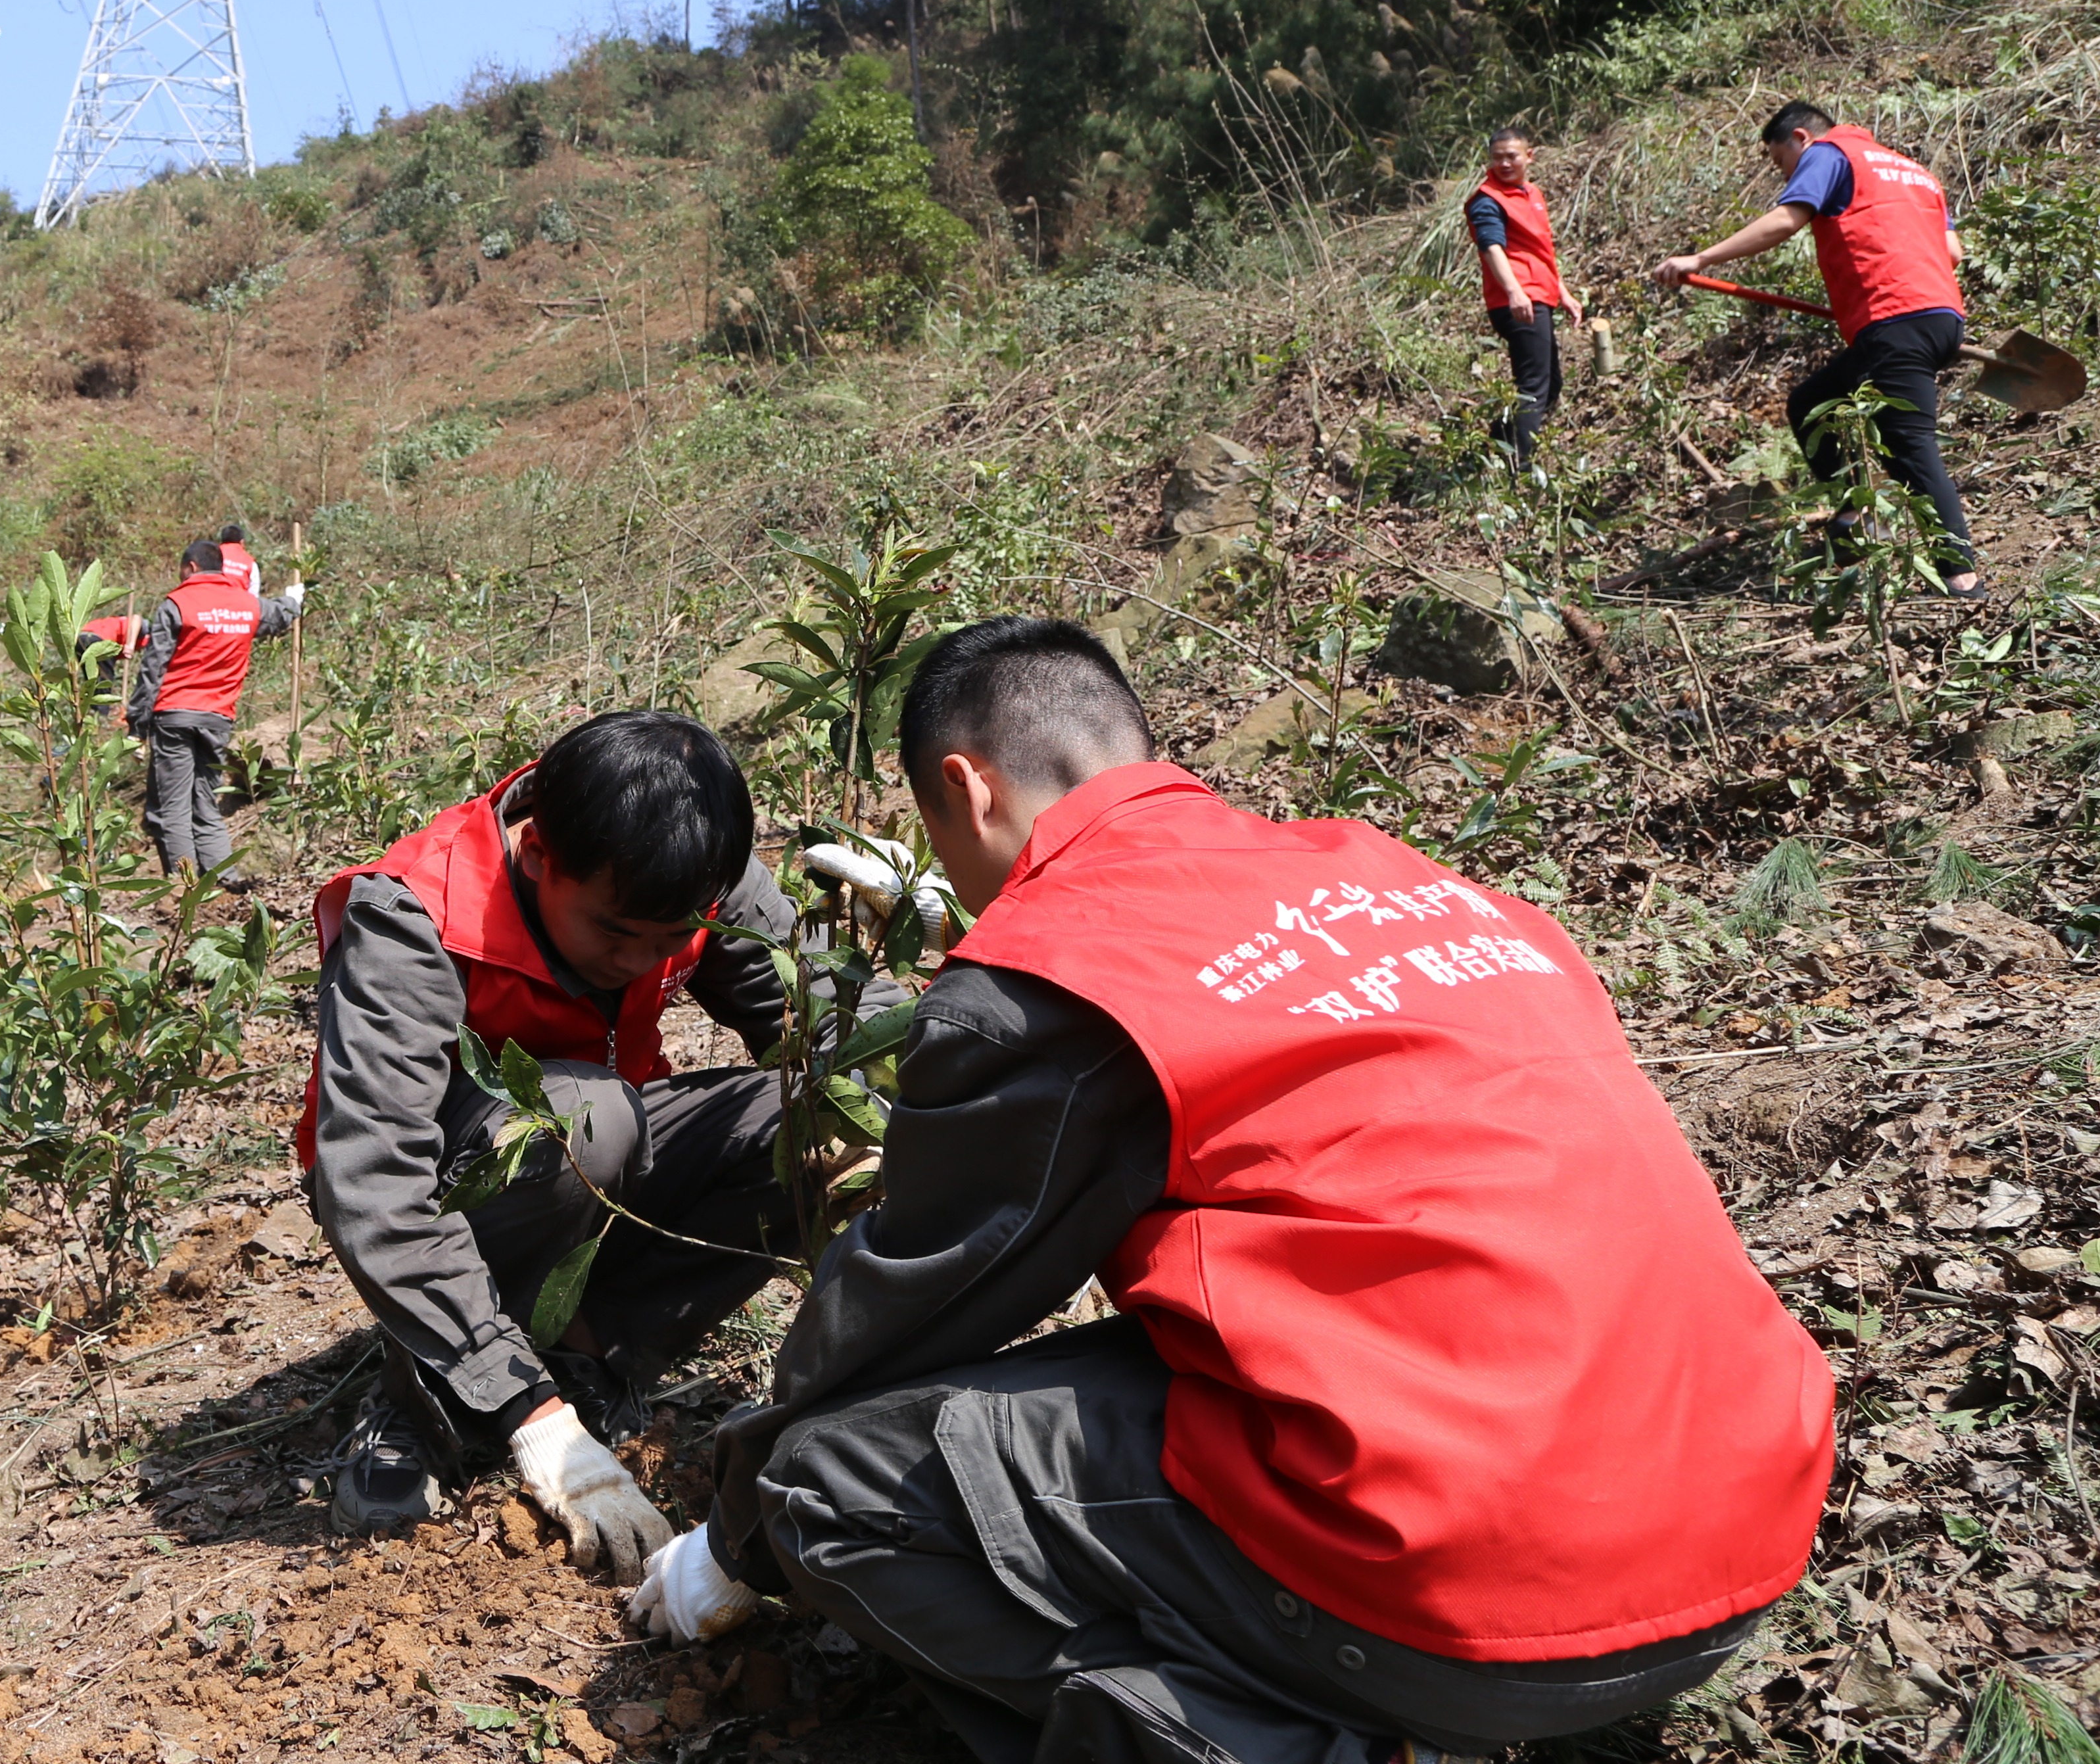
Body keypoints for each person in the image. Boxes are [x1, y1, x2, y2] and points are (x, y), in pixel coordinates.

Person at [629, 619, 1832, 1764]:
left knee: (827, 1478)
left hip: (1477, 1588)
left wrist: (736, 1536)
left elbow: (916, 1296)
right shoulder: (1396, 874)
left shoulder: (1051, 972)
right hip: (1743, 1531)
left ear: (968, 787)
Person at [309, 709, 800, 1572]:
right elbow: (378, 1184)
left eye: (671, 937)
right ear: (538, 854)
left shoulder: (691, 869)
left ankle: (586, 1358)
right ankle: (430, 1398)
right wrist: (529, 1420)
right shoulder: (419, 915)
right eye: (616, 932)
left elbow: (806, 1016)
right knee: (585, 1118)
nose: (645, 958)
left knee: (802, 1122)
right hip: (452, 1176)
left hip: (609, 1152)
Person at [1658, 102, 1982, 594]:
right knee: (1811, 403)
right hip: (1940, 318)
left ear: (1801, 139)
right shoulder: (1913, 171)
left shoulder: (1830, 153)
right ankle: (1855, 520)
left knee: (1908, 446)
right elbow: (1952, 253)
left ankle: (1963, 581)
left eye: (1780, 161)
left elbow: (1787, 221)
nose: (1784, 172)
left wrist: (1701, 258)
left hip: (1896, 320)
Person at [125, 534, 306, 884]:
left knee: (172, 805)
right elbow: (281, 615)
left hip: (175, 715)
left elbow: (153, 668)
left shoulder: (177, 604)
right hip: (218, 718)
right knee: (205, 797)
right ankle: (225, 878)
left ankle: (185, 884)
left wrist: (137, 724)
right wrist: (293, 599)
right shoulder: (247, 604)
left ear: (191, 567)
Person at [1466, 127, 1582, 467]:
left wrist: (1564, 294)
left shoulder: (1531, 194)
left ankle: (1493, 449)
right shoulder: (1488, 199)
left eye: (1511, 156)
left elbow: (1540, 251)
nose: (1504, 163)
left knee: (1549, 385)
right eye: (1497, 157)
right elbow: (1491, 246)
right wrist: (1515, 291)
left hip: (1539, 295)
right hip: (1518, 300)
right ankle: (1519, 468)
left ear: (1529, 156)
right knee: (1534, 386)